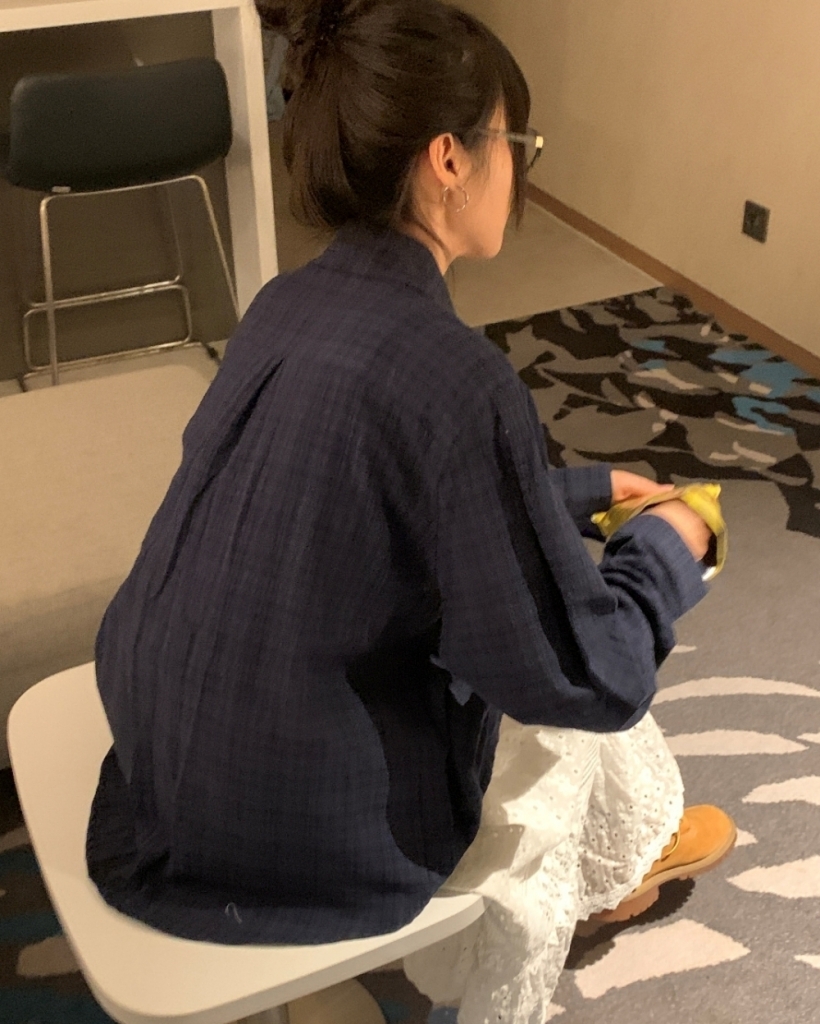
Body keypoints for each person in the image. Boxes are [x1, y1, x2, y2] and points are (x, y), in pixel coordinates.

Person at [86, 1, 736, 1021]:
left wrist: (569, 493)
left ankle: (623, 856)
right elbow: (582, 676)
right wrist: (667, 546)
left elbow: (364, 505)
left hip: (160, 770)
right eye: (514, 143)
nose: (520, 169)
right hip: (293, 833)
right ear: (448, 158)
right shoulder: (456, 376)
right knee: (582, 644)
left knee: (536, 582)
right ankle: (604, 868)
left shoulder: (285, 304)